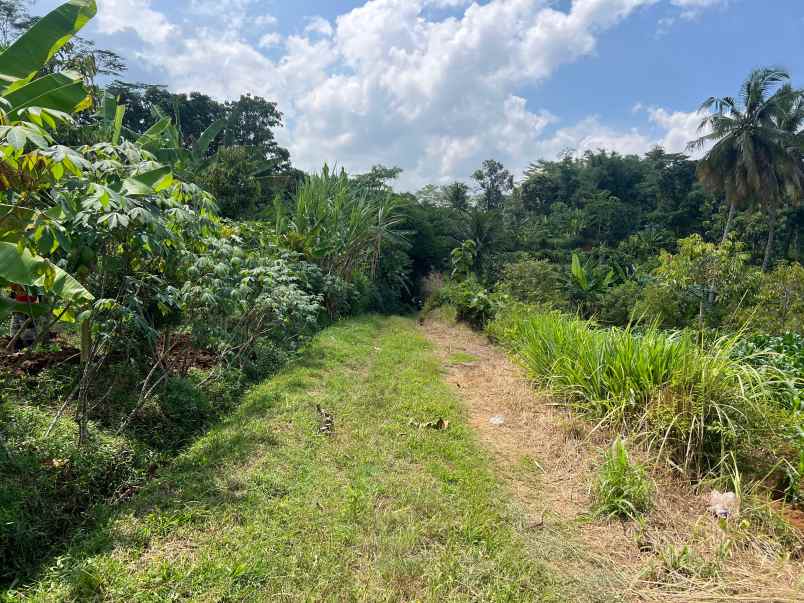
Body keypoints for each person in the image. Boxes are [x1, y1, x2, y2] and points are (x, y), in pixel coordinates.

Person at [9, 284, 39, 351]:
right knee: (15, 332)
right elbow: (13, 290)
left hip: (29, 309)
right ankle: (16, 350)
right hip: (17, 309)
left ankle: (29, 351)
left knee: (28, 334)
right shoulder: (15, 282)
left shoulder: (32, 284)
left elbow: (36, 295)